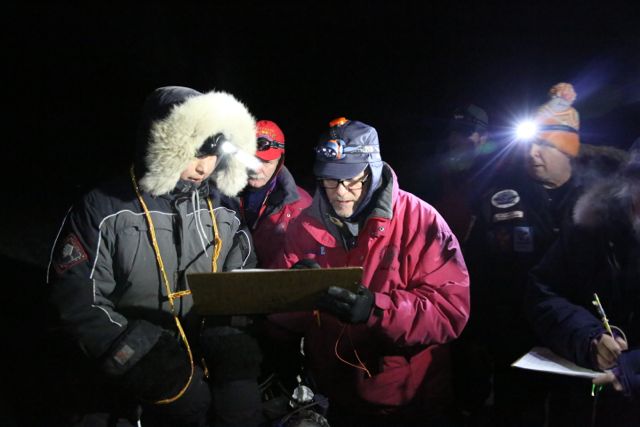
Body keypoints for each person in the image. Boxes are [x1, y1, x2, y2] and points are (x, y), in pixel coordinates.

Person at [45, 86, 264, 427]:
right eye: (194, 153)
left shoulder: (225, 209)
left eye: (213, 154)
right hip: (126, 380)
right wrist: (142, 360)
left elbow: (239, 282)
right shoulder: (104, 208)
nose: (204, 167)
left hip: (202, 362)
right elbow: (77, 300)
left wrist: (231, 348)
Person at [268, 117, 470, 426]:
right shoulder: (302, 226)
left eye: (352, 180)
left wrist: (376, 311)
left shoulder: (422, 221)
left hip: (407, 403)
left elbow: (450, 311)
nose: (340, 192)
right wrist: (294, 291)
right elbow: (282, 317)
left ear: (373, 172)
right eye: (330, 180)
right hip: (334, 397)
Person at [458, 82, 596, 426]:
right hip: (515, 345)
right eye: (529, 144)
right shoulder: (499, 199)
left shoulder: (601, 201)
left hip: (582, 347)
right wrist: (477, 337)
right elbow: (476, 270)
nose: (533, 152)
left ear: (568, 147)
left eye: (545, 144)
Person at [525, 155, 640, 426]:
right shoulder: (590, 227)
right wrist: (589, 339)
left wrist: (633, 366)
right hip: (581, 404)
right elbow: (543, 291)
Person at [237, 119, 312, 267]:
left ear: (280, 161)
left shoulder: (302, 206)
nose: (256, 169)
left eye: (266, 162)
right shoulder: (220, 195)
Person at [422, 104, 493, 243]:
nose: (456, 138)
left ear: (483, 138)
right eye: (453, 131)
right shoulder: (433, 176)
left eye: (465, 132)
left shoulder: (495, 179)